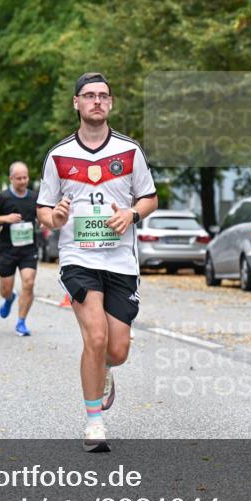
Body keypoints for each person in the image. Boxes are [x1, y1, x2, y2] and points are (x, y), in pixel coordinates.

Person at [37, 72, 158, 452]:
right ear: (76, 103)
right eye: (88, 95)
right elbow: (44, 208)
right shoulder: (58, 156)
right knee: (96, 336)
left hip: (121, 260)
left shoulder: (129, 151)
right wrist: (54, 217)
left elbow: (149, 198)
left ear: (111, 103)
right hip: (78, 258)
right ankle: (94, 423)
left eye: (103, 96)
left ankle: (105, 368)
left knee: (117, 351)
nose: (96, 101)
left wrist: (132, 216)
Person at [0, 161, 39, 336]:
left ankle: (21, 321)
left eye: (25, 177)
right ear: (11, 179)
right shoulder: (2, 197)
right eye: (19, 178)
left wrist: (46, 222)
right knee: (5, 289)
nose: (23, 181)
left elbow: (44, 214)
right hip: (7, 248)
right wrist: (6, 218)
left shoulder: (34, 197)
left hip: (28, 248)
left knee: (29, 282)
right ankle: (9, 298)